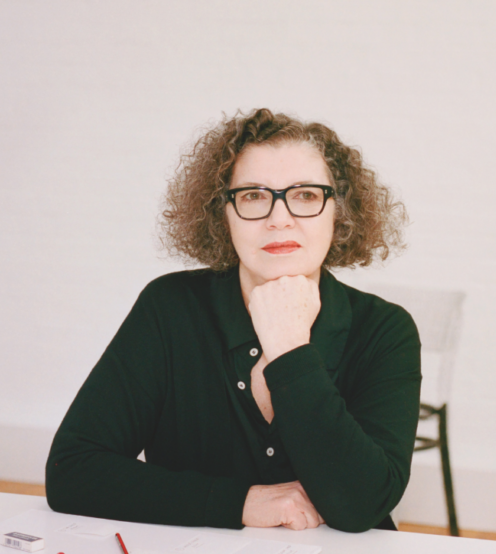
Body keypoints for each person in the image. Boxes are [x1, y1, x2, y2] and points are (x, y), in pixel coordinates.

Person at [46, 108, 419, 533]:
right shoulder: (169, 307)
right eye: (254, 196)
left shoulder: (386, 330)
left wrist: (290, 348)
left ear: (340, 211)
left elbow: (362, 505)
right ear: (222, 214)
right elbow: (72, 471)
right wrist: (240, 503)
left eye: (306, 195)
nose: (280, 218)